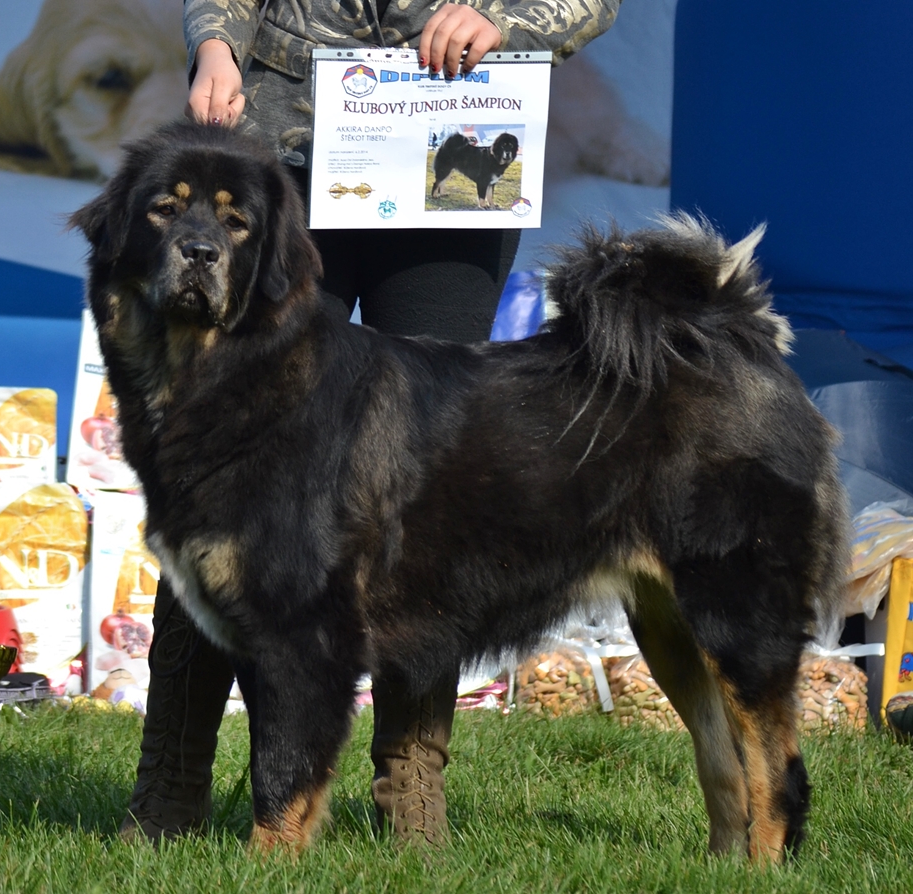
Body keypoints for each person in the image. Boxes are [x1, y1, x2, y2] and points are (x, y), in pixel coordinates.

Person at [121, 0, 622, 846]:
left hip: (457, 128)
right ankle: (171, 786)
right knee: (214, 486)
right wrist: (215, 44)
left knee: (432, 495)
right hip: (284, 151)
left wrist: (506, 18)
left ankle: (410, 787)